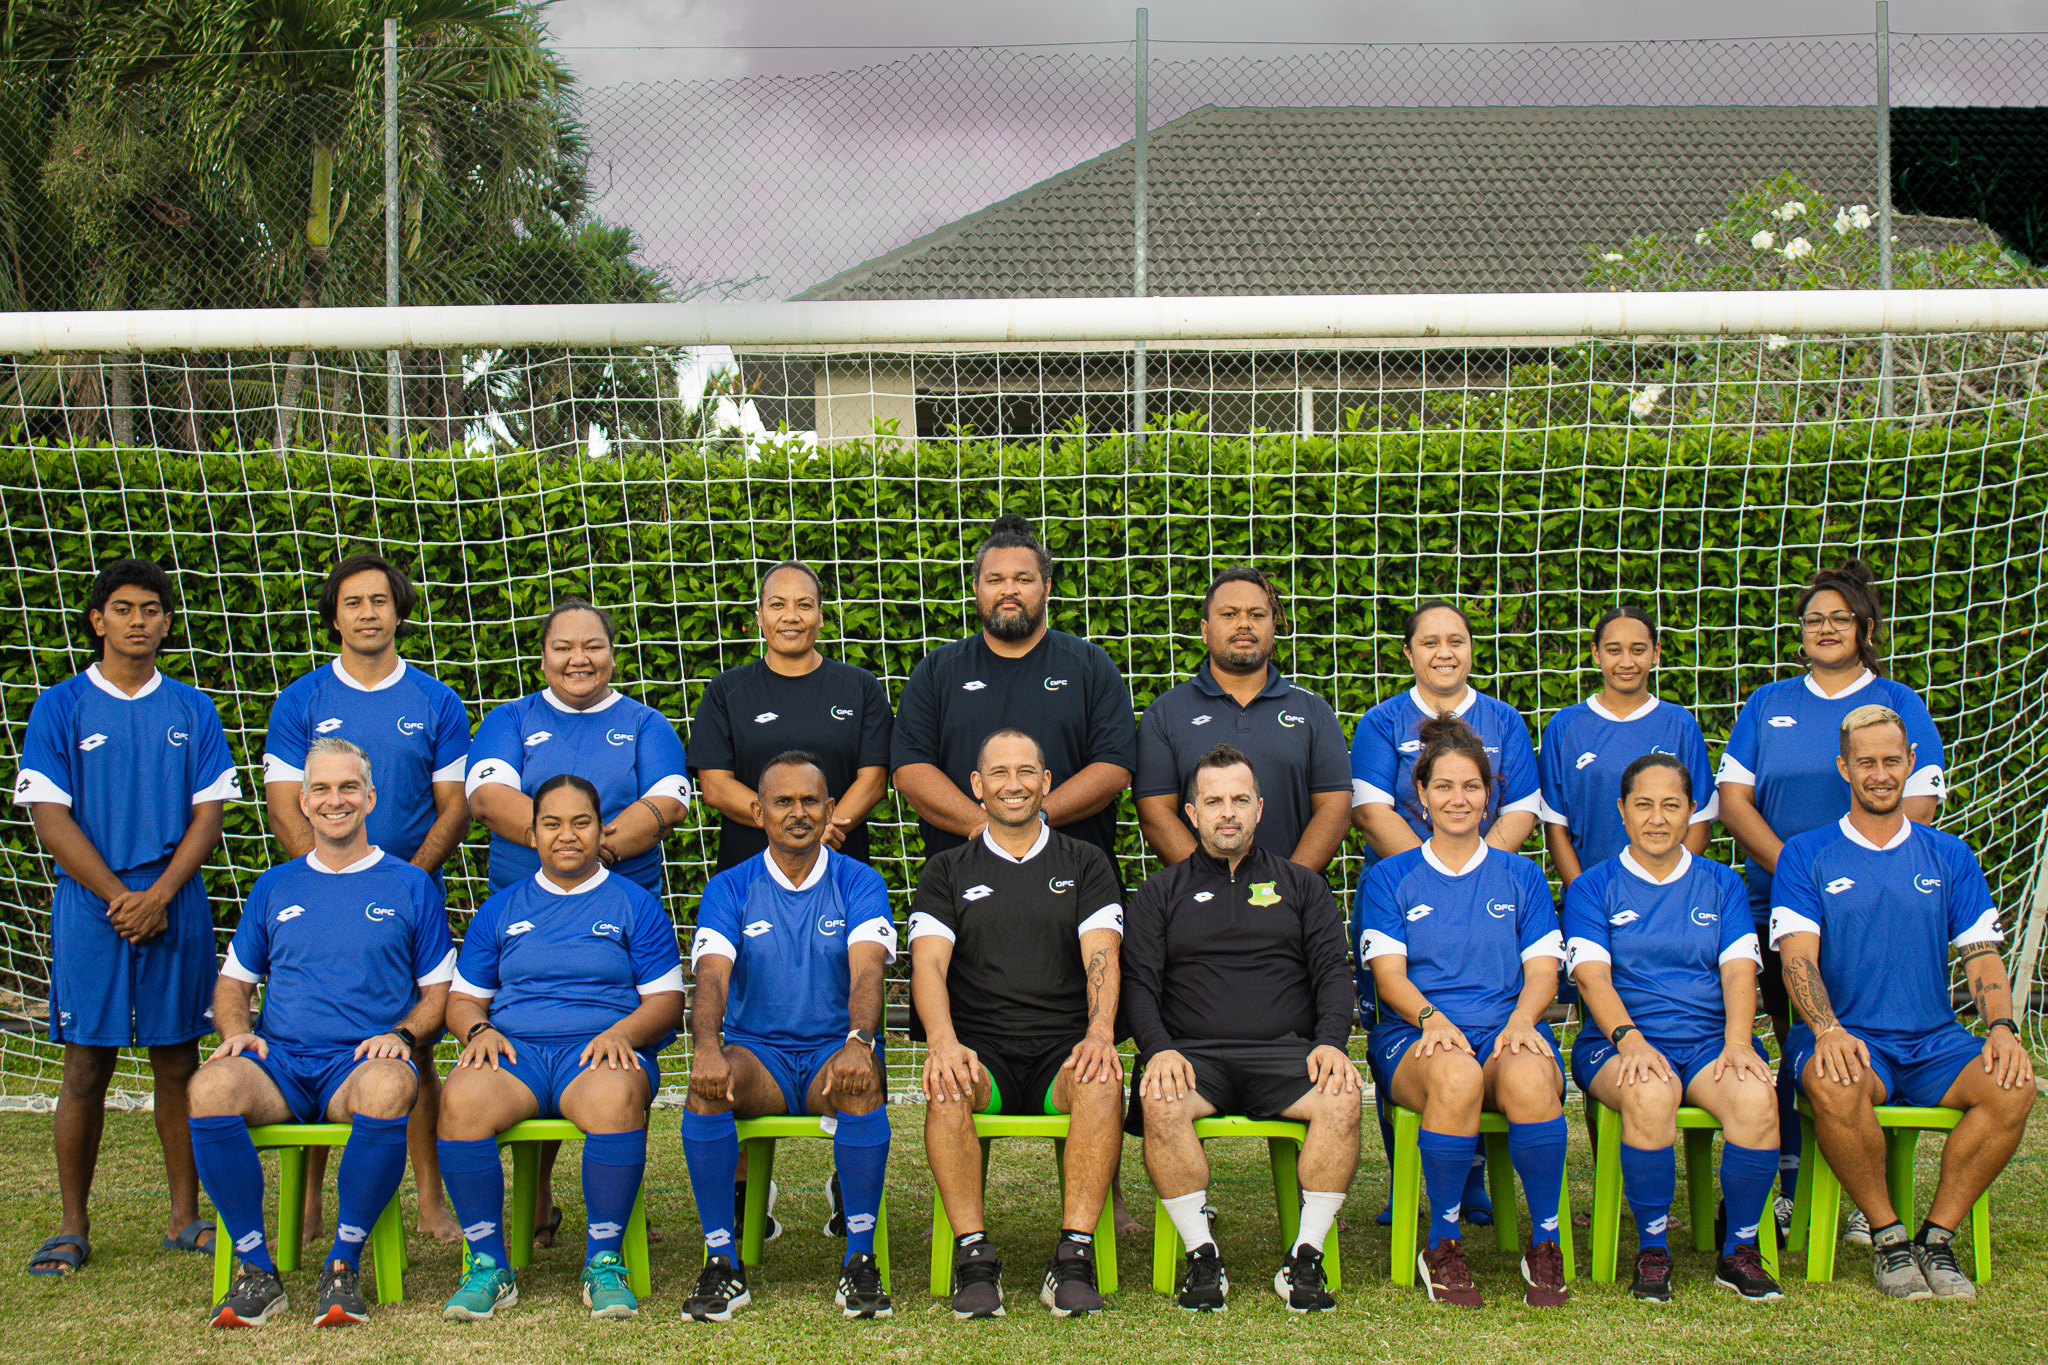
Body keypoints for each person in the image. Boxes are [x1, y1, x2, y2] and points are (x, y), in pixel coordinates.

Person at [17, 558, 242, 1276]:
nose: (137, 620)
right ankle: (72, 1224)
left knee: (179, 1056)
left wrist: (160, 893)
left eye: (151, 608)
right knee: (86, 1063)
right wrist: (121, 896)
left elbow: (210, 814)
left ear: (167, 623)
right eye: (123, 608)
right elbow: (50, 817)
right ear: (97, 619)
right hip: (93, 906)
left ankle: (185, 1216)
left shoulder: (192, 709)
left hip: (174, 900)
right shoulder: (59, 706)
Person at [186, 738, 453, 1328]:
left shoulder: (410, 885)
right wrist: (236, 1033)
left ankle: (342, 1262)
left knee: (389, 1087)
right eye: (322, 790)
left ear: (370, 797)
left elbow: (440, 993)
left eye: (348, 788)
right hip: (279, 1062)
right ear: (303, 802)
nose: (336, 800)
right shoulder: (275, 885)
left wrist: (405, 1036)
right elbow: (233, 985)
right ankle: (257, 1271)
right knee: (209, 1087)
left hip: (355, 1064)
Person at [1772, 704, 2035, 1301]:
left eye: (1892, 761)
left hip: (1934, 1039)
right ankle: (1889, 1238)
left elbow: (1982, 955)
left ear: (1911, 763)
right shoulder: (1806, 853)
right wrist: (1828, 1029)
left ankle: (1937, 1240)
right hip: (1848, 1032)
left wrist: (2001, 1027)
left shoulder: (1949, 855)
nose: (1881, 773)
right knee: (1836, 1081)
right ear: (1844, 768)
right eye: (1867, 762)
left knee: (2014, 1086)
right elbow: (1797, 958)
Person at [1717, 560, 1945, 1237]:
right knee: (1799, 1041)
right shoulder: (1768, 703)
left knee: (1860, 1039)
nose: (1823, 628)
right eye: (1813, 619)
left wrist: (1845, 880)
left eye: (1838, 618)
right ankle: (1791, 1182)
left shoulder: (1900, 702)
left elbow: (1921, 805)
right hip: (1780, 906)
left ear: (1865, 628)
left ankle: (1855, 1194)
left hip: (1871, 913)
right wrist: (1800, 874)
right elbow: (1733, 800)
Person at [263, 552, 473, 1244]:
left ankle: (431, 1199)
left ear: (398, 610)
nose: (367, 613)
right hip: (320, 892)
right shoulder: (301, 700)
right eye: (353, 602)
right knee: (314, 1038)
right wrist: (329, 875)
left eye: (379, 600)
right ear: (335, 616)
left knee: (412, 1048)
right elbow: (286, 802)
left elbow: (453, 805)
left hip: (409, 894)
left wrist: (399, 879)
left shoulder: (437, 700)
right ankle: (314, 1197)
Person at [467, 597, 689, 1240]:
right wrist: (559, 850)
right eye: (563, 646)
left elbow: (667, 803)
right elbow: (486, 796)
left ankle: (620, 1208)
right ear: (542, 656)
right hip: (525, 919)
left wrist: (593, 853)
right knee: (530, 1039)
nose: (578, 658)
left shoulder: (647, 723)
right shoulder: (511, 719)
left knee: (618, 1049)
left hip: (620, 919)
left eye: (592, 645)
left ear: (613, 655)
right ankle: (534, 1206)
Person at [434, 775, 684, 1322]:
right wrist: (478, 1031)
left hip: (600, 1052)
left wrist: (625, 1032)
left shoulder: (634, 905)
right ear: (532, 832)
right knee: (460, 1100)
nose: (566, 835)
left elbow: (666, 1001)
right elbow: (462, 1000)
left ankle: (603, 1262)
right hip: (516, 1053)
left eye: (580, 822)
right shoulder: (501, 908)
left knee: (616, 1096)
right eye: (552, 823)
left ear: (600, 830)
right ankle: (488, 1266)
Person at [1127, 743, 1360, 1314]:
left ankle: (1305, 1257)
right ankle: (1201, 1256)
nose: (1226, 812)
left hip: (1285, 1054)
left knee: (1343, 1094)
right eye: (1213, 801)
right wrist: (1156, 1049)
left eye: (1238, 800)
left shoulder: (1302, 886)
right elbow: (1137, 983)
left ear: (1260, 807)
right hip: (1192, 1057)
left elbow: (1334, 973)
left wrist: (1331, 1042)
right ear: (1191, 812)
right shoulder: (1160, 893)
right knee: (1159, 1101)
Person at [911, 728, 1126, 1319]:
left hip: (1063, 1048)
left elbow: (1101, 955)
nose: (1014, 784)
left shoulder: (1086, 862)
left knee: (1103, 1079)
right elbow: (927, 962)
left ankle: (1074, 1257)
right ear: (977, 786)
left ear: (1046, 782)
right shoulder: (946, 869)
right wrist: (945, 1044)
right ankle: (974, 1258)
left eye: (1027, 771)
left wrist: (1100, 1034)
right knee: (949, 1082)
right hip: (984, 1051)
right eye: (999, 773)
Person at [1358, 716, 1570, 1309]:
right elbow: (1389, 977)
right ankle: (1443, 1244)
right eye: (1444, 786)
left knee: (1529, 1077)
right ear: (1420, 796)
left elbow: (1542, 971)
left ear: (1489, 795)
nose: (1458, 799)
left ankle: (1546, 1243)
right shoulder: (1389, 877)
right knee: (1456, 1073)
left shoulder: (1523, 875)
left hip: (1506, 1026)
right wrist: (1433, 1020)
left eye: (1471, 786)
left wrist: (1524, 1021)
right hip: (1416, 1032)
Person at [680, 753, 897, 1321]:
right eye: (783, 801)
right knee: (707, 1087)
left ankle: (859, 1261)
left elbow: (869, 969)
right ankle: (722, 1263)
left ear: (830, 810)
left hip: (832, 1052)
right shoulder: (730, 887)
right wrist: (706, 1048)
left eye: (810, 802)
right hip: (762, 1059)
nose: (798, 813)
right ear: (758, 811)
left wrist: (859, 1041)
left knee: (862, 1079)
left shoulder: (860, 881)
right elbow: (712, 976)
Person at [1563, 753, 1782, 1303]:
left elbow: (1738, 971)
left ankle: (1740, 1250)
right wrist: (1629, 1039)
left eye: (1671, 805)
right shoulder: (1593, 887)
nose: (1656, 818)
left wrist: (1737, 1042)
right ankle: (1654, 1250)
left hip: (1712, 1041)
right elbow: (1592, 980)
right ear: (1622, 810)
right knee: (1650, 1089)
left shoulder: (1722, 884)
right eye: (1643, 805)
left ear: (1691, 813)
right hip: (1618, 1042)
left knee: (1756, 1097)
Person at [1351, 599, 1540, 1228]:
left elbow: (1521, 808)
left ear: (1470, 649)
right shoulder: (1381, 721)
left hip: (1484, 887)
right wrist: (1432, 866)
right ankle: (1412, 1178)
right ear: (1408, 654)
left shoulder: (1504, 719)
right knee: (1402, 1020)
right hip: (1404, 890)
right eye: (1429, 642)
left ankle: (1474, 1179)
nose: (1443, 652)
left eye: (1455, 640)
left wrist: (1476, 865)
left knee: (1489, 1021)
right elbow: (1374, 810)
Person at [891, 513, 1137, 865]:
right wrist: (986, 828)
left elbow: (1114, 767)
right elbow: (909, 770)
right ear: (976, 588)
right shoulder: (936, 671)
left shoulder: (1091, 666)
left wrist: (1037, 821)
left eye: (1023, 578)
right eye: (995, 579)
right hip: (963, 876)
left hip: (1073, 875)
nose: (1009, 589)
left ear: (1047, 587)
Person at [1134, 565, 1352, 871]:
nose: (1244, 624)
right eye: (1229, 614)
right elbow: (1155, 815)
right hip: (1199, 903)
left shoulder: (1314, 711)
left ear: (1274, 627)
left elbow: (1335, 811)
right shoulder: (1165, 714)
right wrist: (1213, 884)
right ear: (1204, 630)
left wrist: (1290, 887)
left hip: (1294, 905)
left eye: (1257, 614)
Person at [692, 559, 893, 872]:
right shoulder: (726, 691)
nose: (791, 616)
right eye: (777, 604)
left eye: (804, 604)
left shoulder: (860, 687)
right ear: (759, 616)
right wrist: (789, 829)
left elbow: (874, 780)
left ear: (821, 616)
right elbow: (716, 786)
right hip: (750, 871)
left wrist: (821, 831)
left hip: (839, 866)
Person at [1537, 605, 1715, 884]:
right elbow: (1556, 828)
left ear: (1655, 653)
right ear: (1596, 653)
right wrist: (1586, 896)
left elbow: (1700, 825)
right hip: (1590, 897)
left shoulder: (1680, 724)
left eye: (1638, 649)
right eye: (1614, 650)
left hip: (1665, 896)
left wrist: (1659, 887)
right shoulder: (1565, 726)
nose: (1626, 662)